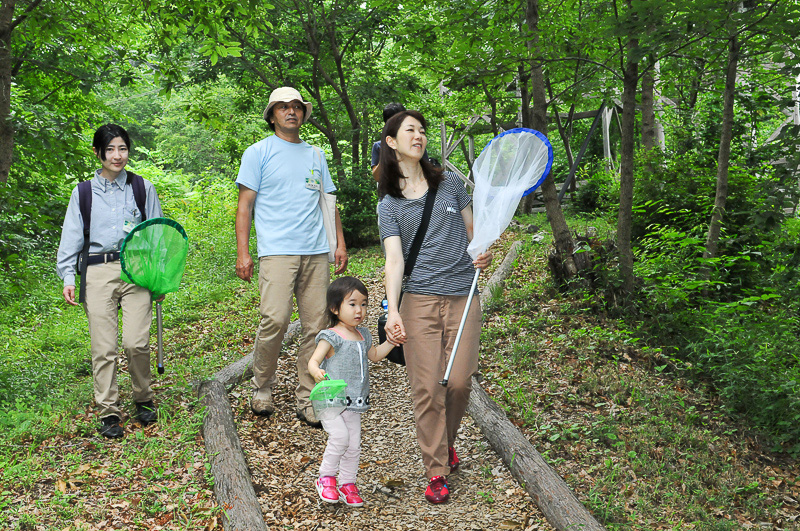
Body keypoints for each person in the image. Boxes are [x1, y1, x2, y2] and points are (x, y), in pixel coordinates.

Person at [377, 110, 493, 504]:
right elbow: (394, 262)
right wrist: (393, 310)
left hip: (464, 295)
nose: (420, 135)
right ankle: (436, 470)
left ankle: (445, 444)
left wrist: (483, 253)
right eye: (411, 130)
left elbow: (475, 234)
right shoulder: (389, 204)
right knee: (427, 389)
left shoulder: (451, 185)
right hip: (419, 301)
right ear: (392, 142)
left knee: (459, 383)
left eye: (423, 131)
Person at [235, 86, 348, 428]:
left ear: (303, 114)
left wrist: (339, 243)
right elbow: (245, 205)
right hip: (277, 251)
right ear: (271, 115)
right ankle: (262, 387)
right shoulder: (258, 153)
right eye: (283, 107)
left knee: (317, 325)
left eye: (296, 107)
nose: (291, 112)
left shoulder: (315, 154)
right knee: (275, 319)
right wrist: (244, 252)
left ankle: (307, 395)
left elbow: (328, 203)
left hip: (315, 251)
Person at [56, 124, 164, 439]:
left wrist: (159, 277)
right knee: (104, 347)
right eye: (111, 149)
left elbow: (156, 235)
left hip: (136, 270)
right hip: (98, 271)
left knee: (136, 342)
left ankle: (143, 397)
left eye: (123, 149)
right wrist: (67, 275)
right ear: (98, 152)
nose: (117, 156)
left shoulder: (143, 188)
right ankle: (109, 412)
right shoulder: (83, 193)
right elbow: (71, 238)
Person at [308, 276, 395, 507]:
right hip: (332, 402)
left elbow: (374, 355)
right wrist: (316, 371)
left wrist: (392, 342)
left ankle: (348, 483)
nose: (359, 310)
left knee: (354, 444)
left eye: (364, 304)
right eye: (353, 304)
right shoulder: (332, 336)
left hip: (354, 403)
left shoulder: (363, 335)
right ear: (335, 308)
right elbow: (312, 362)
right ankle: (325, 478)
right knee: (340, 437)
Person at [371, 103, 431, 183]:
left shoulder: (416, 144)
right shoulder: (379, 146)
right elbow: (377, 178)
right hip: (389, 192)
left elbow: (427, 172)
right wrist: (386, 152)